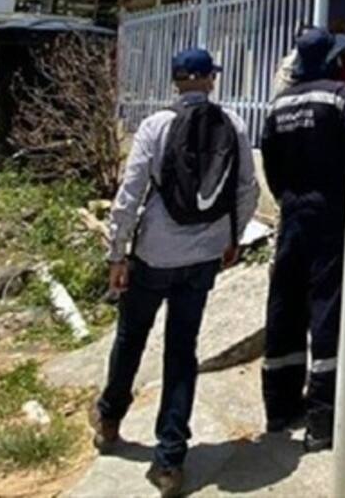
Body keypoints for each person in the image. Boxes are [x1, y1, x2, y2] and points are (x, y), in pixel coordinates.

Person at [93, 48, 258, 498]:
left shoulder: (154, 127)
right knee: (182, 350)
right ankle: (169, 462)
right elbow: (247, 189)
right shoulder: (234, 125)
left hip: (153, 255)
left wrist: (117, 253)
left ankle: (110, 420)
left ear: (175, 81)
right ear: (208, 80)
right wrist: (233, 239)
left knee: (131, 337)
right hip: (202, 257)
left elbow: (130, 194)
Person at [259, 27, 345, 452]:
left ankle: (280, 406)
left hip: (292, 213)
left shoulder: (278, 103)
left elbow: (270, 160)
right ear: (332, 60)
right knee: (327, 307)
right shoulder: (341, 96)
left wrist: (286, 199)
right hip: (329, 213)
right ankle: (324, 418)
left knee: (285, 303)